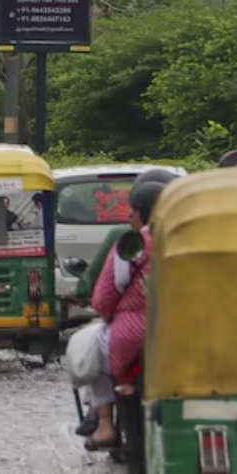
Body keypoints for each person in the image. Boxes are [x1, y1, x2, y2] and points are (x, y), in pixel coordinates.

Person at [84, 169, 174, 450]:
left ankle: (104, 424)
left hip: (132, 336)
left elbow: (104, 298)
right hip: (184, 332)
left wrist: (111, 315)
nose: (128, 216)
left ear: (144, 213)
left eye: (132, 210)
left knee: (92, 347)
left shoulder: (131, 242)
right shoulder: (185, 239)